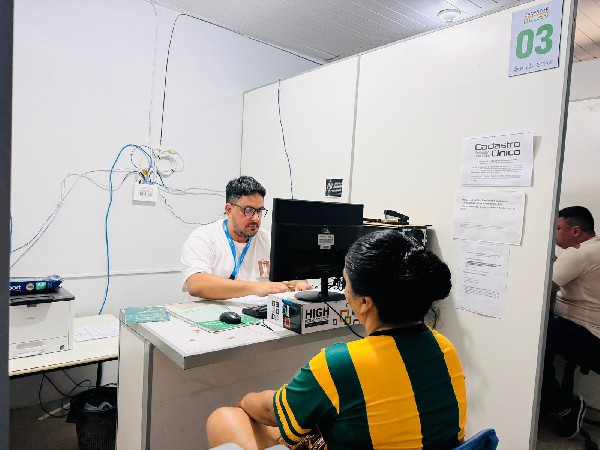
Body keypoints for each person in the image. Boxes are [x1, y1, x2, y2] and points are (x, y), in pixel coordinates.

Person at [206, 230, 467, 450]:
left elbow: (270, 411)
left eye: (346, 285)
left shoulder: (342, 363)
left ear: (364, 303)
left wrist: (243, 401)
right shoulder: (444, 347)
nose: (345, 292)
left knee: (224, 418)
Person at [181, 175, 311, 300]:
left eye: (259, 211)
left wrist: (298, 283)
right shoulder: (203, 237)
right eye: (248, 210)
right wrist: (256, 288)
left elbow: (290, 276)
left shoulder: (268, 240)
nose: (256, 218)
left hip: (252, 312)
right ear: (229, 210)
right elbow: (196, 284)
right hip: (208, 312)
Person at [541, 206, 600, 438]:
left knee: (535, 337)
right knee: (545, 330)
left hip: (587, 334)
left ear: (575, 231)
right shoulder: (591, 248)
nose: (553, 234)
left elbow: (542, 289)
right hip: (585, 329)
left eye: (558, 228)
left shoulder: (579, 254)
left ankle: (563, 405)